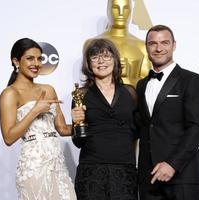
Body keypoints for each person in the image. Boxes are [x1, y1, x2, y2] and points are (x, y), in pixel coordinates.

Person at [0, 38, 77, 200]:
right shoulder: (10, 94)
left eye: (39, 58)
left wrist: (82, 124)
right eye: (30, 58)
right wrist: (35, 110)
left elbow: (62, 129)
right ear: (16, 61)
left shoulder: (48, 90)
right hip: (33, 168)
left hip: (57, 166)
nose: (36, 63)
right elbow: (8, 137)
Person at [136, 25, 199, 200]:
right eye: (152, 43)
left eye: (164, 42)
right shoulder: (141, 85)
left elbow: (196, 129)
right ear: (146, 47)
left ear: (174, 45)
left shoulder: (192, 80)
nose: (159, 48)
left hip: (182, 177)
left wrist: (172, 164)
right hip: (148, 179)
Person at [71, 38, 138, 200]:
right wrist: (77, 124)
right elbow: (79, 142)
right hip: (91, 170)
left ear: (115, 60)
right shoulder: (81, 95)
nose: (101, 61)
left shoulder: (131, 93)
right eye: (95, 57)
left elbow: (137, 131)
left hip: (124, 170)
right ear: (88, 63)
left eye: (106, 56)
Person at [84, 0, 150, 87]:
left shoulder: (142, 46)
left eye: (126, 8)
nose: (121, 13)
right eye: (115, 8)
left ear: (131, 11)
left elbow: (147, 84)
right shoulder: (91, 43)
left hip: (133, 99)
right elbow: (88, 79)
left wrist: (129, 77)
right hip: (100, 98)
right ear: (108, 10)